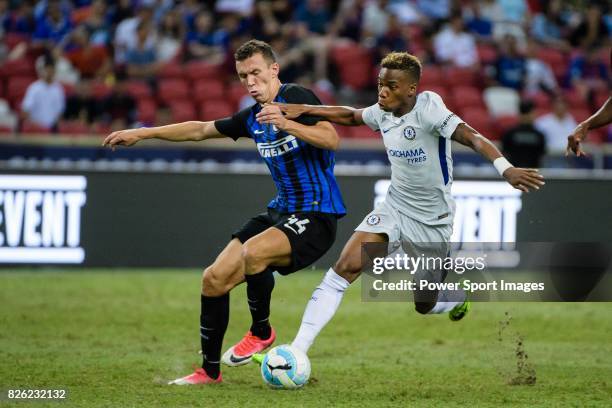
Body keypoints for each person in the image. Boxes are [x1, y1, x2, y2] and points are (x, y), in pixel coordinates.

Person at [264, 51, 544, 355]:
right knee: (345, 267)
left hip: (432, 221)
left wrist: (506, 168)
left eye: (392, 86)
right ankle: (297, 350)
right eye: (381, 84)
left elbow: (473, 137)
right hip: (394, 209)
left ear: (412, 89)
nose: (383, 91)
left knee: (424, 303)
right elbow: (351, 115)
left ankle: (454, 296)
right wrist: (304, 109)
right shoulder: (383, 111)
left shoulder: (430, 109)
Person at [102, 39, 345, 385]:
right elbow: (201, 129)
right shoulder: (251, 118)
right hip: (280, 212)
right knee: (213, 279)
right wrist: (144, 133)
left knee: (253, 253)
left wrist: (287, 122)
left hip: (318, 215)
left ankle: (261, 332)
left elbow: (331, 138)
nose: (250, 81)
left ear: (274, 70)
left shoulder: (296, 96)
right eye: (244, 75)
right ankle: (209, 372)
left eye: (256, 72)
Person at [21, 55, 65, 130]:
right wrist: (33, 125)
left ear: (54, 71)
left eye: (52, 69)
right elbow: (25, 111)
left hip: (52, 130)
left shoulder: (58, 89)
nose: (49, 72)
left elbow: (60, 112)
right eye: (47, 69)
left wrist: (54, 128)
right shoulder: (34, 88)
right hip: (35, 128)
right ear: (43, 70)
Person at [502, 100, 546, 167]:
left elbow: (505, 153)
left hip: (514, 173)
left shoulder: (509, 133)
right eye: (534, 113)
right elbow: (541, 155)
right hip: (532, 173)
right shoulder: (539, 135)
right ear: (531, 114)